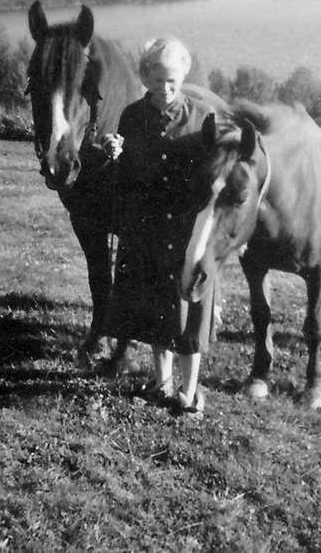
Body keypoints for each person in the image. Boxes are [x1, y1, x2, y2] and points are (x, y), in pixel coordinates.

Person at [101, 37, 216, 416]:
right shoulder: (132, 116)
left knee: (188, 314)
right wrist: (117, 153)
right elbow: (130, 174)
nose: (164, 89)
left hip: (187, 234)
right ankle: (162, 383)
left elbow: (216, 180)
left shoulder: (202, 119)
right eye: (156, 80)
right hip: (147, 231)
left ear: (184, 74)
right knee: (155, 311)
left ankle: (190, 391)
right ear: (145, 75)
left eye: (172, 80)